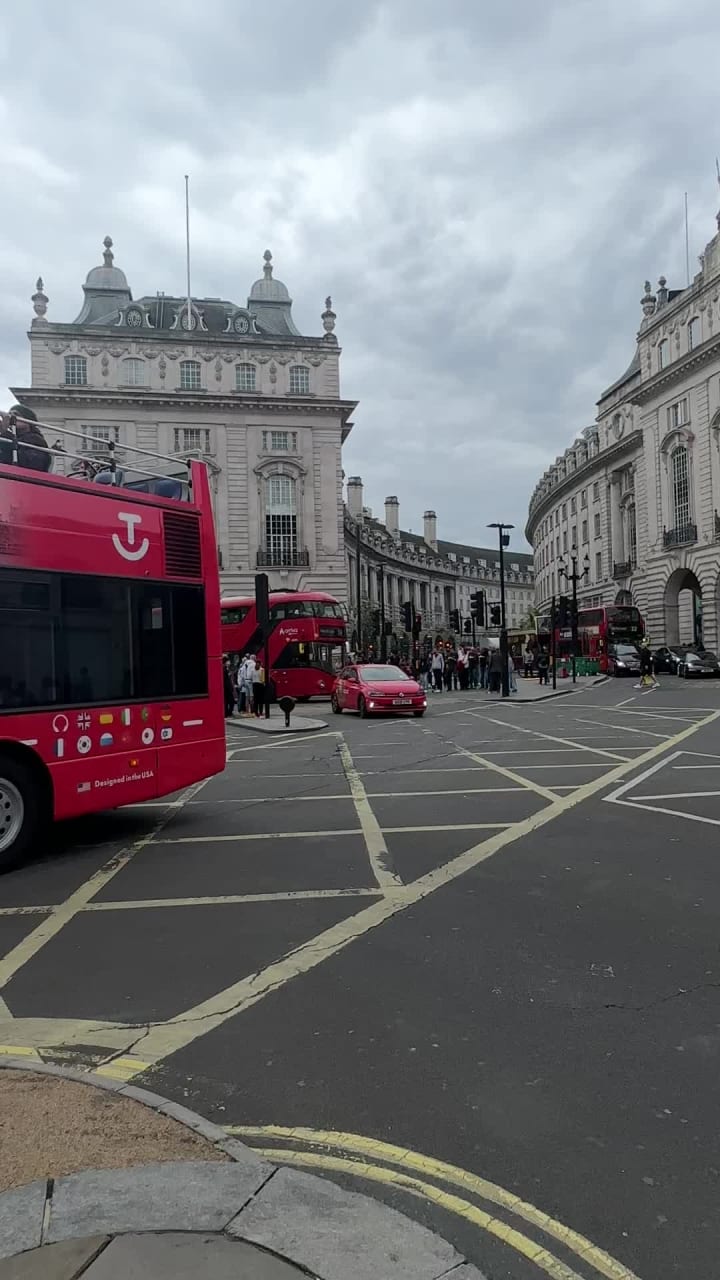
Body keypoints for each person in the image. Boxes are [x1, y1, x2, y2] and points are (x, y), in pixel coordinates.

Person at [0, 406, 52, 472]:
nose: (11, 417)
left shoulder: (35, 439)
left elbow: (32, 464)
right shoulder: (13, 438)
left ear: (28, 421)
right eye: (10, 414)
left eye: (16, 414)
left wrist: (4, 432)